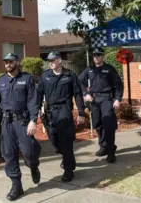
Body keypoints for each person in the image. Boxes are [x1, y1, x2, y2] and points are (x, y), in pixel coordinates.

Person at [0, 53, 41, 201]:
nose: (8, 64)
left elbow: (33, 101)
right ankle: (16, 185)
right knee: (9, 154)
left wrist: (33, 120)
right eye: (5, 62)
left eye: (10, 61)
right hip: (6, 123)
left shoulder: (27, 79)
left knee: (30, 152)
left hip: (23, 122)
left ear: (17, 62)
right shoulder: (1, 81)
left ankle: (33, 165)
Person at [37, 52, 85, 182]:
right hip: (50, 112)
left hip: (64, 110)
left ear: (59, 60)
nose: (50, 62)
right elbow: (38, 94)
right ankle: (68, 158)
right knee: (53, 139)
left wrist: (81, 113)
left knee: (66, 141)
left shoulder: (70, 75)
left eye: (53, 60)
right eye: (49, 61)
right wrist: (36, 111)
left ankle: (68, 170)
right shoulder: (45, 75)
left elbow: (78, 94)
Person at [78, 48, 123, 163]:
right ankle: (104, 145)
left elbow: (118, 85)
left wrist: (117, 99)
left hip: (107, 99)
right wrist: (85, 94)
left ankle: (111, 150)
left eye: (98, 55)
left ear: (103, 56)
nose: (96, 57)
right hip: (94, 100)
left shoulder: (109, 69)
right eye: (94, 55)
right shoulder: (90, 69)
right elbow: (80, 82)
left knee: (108, 124)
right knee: (97, 123)